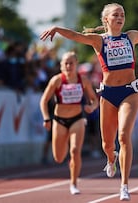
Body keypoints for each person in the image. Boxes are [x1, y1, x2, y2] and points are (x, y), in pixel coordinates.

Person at [39, 3, 138, 201]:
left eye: (122, 14)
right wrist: (56, 29)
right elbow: (76, 36)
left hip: (129, 92)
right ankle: (110, 158)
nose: (120, 17)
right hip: (108, 95)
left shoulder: (131, 36)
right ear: (106, 20)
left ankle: (124, 185)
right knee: (107, 144)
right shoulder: (99, 41)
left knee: (123, 136)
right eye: (116, 14)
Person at [39, 51, 99, 195]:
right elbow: (44, 100)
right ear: (61, 66)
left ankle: (73, 183)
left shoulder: (83, 80)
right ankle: (64, 143)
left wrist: (92, 107)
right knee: (59, 158)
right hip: (59, 120)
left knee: (75, 151)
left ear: (76, 64)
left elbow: (94, 99)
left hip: (77, 118)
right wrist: (46, 118)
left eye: (71, 63)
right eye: (65, 63)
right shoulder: (57, 80)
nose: (68, 66)